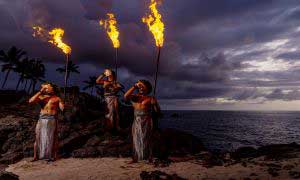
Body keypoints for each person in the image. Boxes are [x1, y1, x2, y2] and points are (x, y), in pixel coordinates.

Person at [124, 80, 161, 162]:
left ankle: (148, 157)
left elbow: (158, 112)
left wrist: (155, 104)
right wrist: (135, 86)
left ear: (147, 88)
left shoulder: (150, 98)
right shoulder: (134, 97)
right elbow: (125, 96)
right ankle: (136, 158)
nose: (140, 87)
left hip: (147, 120)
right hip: (137, 119)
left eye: (142, 86)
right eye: (139, 86)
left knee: (146, 138)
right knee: (136, 138)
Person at [28, 83, 64, 161]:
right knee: (37, 137)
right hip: (42, 118)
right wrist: (40, 91)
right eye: (45, 88)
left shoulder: (57, 98)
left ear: (52, 89)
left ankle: (55, 156)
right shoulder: (41, 97)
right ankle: (35, 156)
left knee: (54, 137)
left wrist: (62, 106)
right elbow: (31, 101)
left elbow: (62, 108)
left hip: (52, 118)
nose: (45, 89)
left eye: (47, 88)